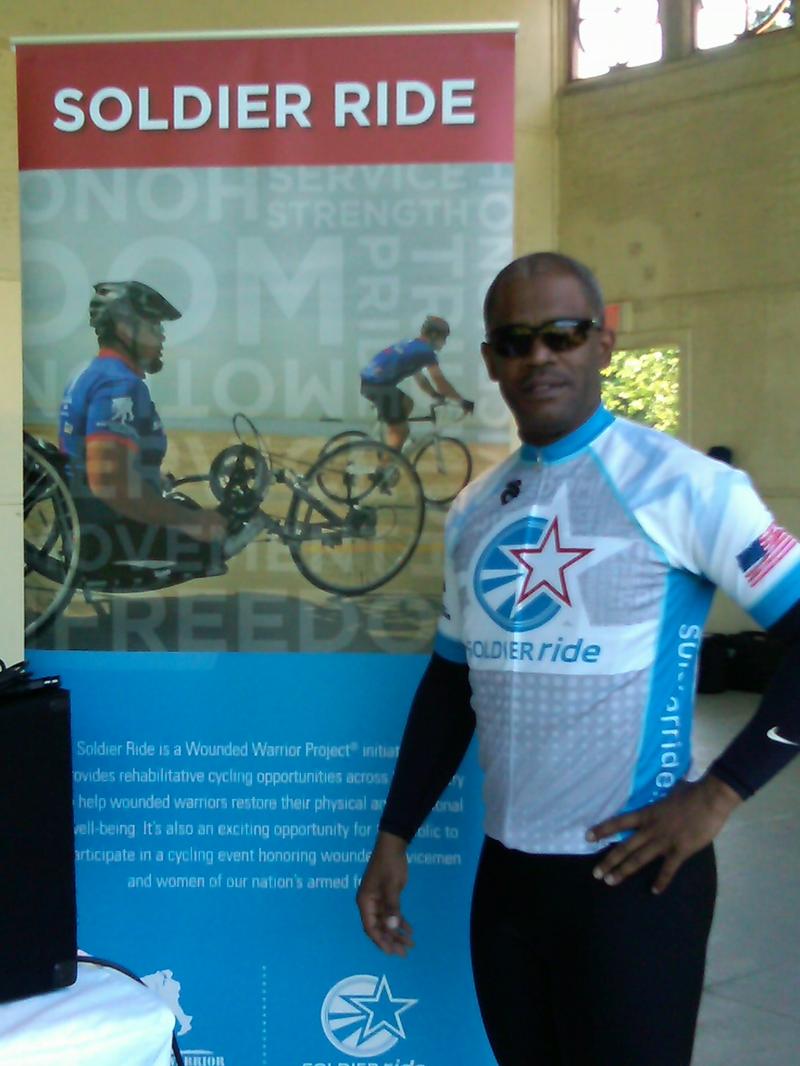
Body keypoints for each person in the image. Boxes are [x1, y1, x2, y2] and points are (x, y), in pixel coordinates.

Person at [356, 252, 800, 1065]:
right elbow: (451, 687)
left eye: (562, 334)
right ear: (491, 360)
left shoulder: (688, 486)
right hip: (508, 882)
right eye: (515, 341)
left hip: (634, 882)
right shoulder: (474, 510)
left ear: (603, 343)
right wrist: (394, 833)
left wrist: (719, 795)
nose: (539, 357)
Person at [59, 280, 228, 579]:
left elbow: (90, 458)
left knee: (191, 510)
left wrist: (150, 476)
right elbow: (109, 483)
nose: (162, 336)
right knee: (216, 542)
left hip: (86, 524)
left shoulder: (90, 373)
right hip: (109, 535)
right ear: (126, 329)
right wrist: (191, 522)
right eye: (154, 326)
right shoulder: (119, 385)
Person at [359, 315, 474, 453]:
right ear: (433, 335)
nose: (444, 342)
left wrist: (433, 394)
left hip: (371, 383)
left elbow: (420, 379)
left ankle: (394, 437)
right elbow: (441, 383)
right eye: (443, 337)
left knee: (407, 403)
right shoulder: (426, 352)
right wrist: (462, 402)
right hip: (380, 387)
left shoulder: (412, 344)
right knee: (401, 431)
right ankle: (386, 464)